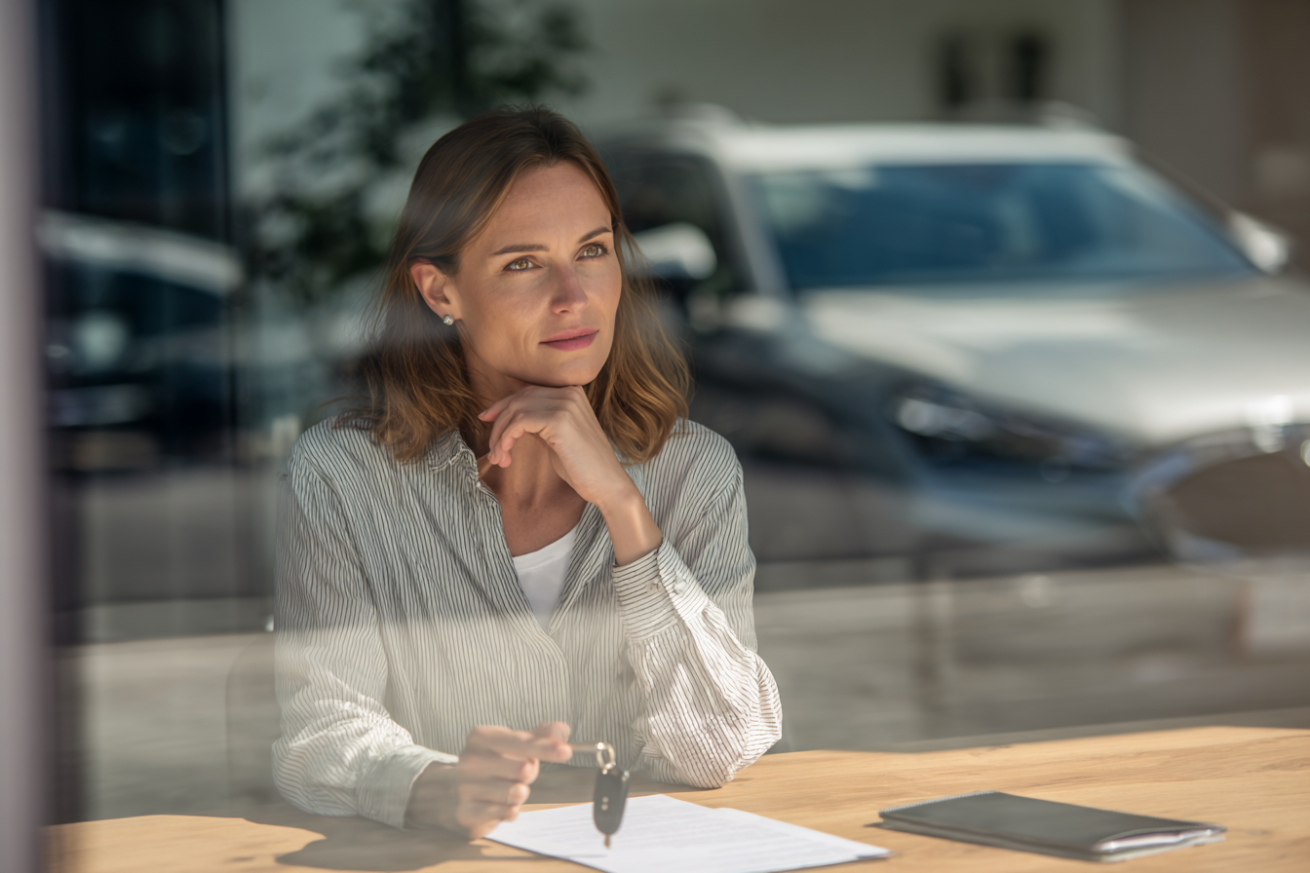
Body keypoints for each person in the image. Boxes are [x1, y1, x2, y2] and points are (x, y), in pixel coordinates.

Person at [273, 106, 782, 839]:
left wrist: (622, 505)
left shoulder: (693, 470)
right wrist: (429, 783)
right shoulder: (344, 475)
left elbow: (719, 743)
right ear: (440, 292)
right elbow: (319, 729)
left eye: (594, 250)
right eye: (523, 263)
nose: (574, 297)